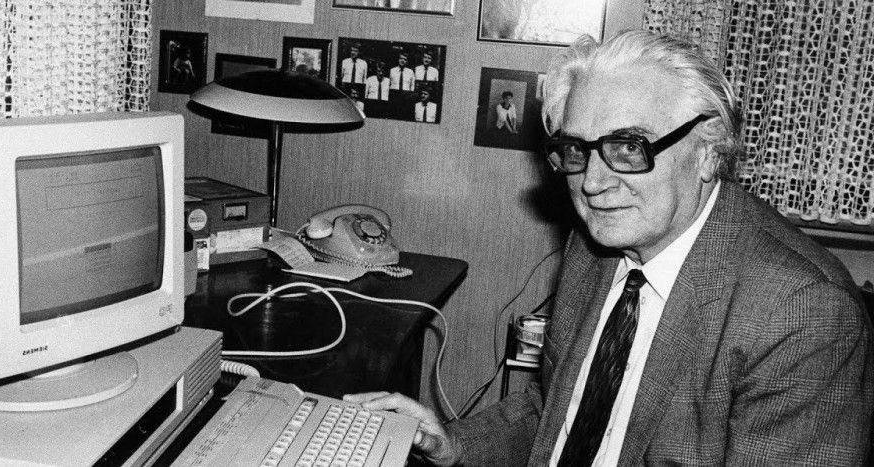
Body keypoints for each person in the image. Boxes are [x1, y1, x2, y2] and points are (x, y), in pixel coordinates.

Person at [346, 29, 874, 465]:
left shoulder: (803, 314)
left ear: (708, 151)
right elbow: (558, 407)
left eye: (628, 147)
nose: (593, 184)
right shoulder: (596, 245)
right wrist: (455, 444)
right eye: (577, 149)